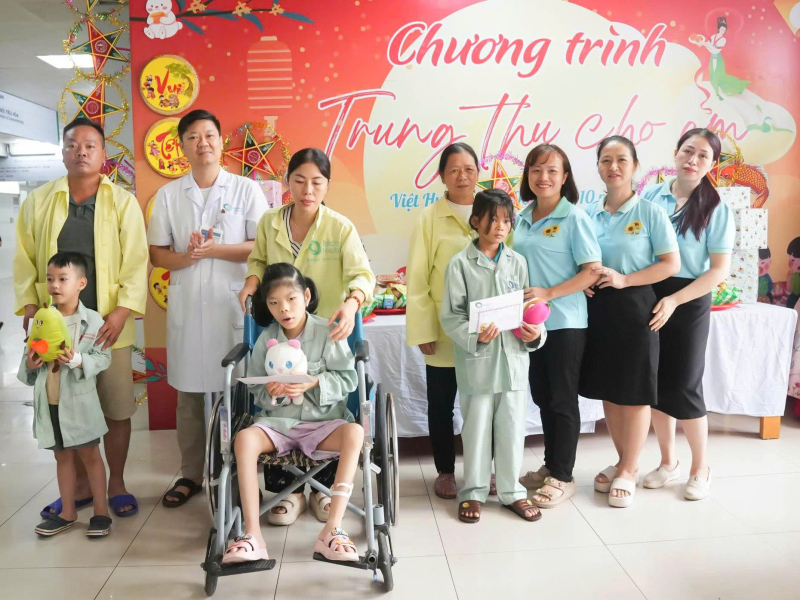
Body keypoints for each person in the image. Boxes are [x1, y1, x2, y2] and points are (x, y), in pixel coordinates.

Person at [14, 117, 148, 519]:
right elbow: (24, 259)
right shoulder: (40, 200)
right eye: (73, 145)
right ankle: (81, 490)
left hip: (107, 326)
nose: (81, 152)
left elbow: (136, 261)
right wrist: (31, 306)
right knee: (65, 409)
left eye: (90, 145)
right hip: (57, 326)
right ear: (62, 152)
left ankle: (116, 483)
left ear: (103, 153)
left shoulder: (121, 201)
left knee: (116, 408)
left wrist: (123, 311)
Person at [238, 148, 374, 525]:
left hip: (327, 328)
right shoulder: (270, 222)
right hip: (280, 325)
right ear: (288, 182)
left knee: (325, 406)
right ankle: (290, 493)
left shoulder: (340, 227)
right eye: (299, 180)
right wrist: (251, 283)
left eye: (317, 182)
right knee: (278, 398)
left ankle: (323, 491)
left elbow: (362, 275)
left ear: (327, 185)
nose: (307, 190)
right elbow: (258, 261)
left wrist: (352, 303)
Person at [147, 109, 268, 508]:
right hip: (188, 305)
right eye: (193, 137)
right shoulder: (169, 195)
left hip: (230, 305)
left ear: (220, 141)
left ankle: (239, 474)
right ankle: (190, 475)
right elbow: (158, 254)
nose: (203, 143)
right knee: (188, 397)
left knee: (236, 393)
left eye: (210, 135)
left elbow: (260, 246)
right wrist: (188, 257)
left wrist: (214, 250)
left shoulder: (246, 190)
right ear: (182, 145)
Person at [222, 263, 364, 564]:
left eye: (291, 299)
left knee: (355, 433)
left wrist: (315, 381)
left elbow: (348, 379)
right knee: (244, 439)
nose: (284, 309)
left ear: (306, 296)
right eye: (274, 303)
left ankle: (333, 530)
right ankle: (252, 535)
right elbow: (257, 388)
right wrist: (271, 392)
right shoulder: (267, 339)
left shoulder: (328, 332)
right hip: (279, 423)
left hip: (322, 423)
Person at [581, 136, 681, 508]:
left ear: (635, 166)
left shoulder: (650, 212)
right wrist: (581, 280)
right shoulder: (587, 213)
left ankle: (629, 468)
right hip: (597, 310)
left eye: (622, 159)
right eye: (606, 160)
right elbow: (579, 258)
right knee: (610, 389)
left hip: (637, 308)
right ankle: (624, 460)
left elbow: (671, 264)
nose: (614, 167)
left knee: (635, 392)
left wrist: (625, 280)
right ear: (598, 167)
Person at [440, 189, 546, 524]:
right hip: (478, 363)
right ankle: (473, 491)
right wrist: (474, 337)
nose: (500, 226)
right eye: (493, 219)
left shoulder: (518, 262)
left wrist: (536, 334)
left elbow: (531, 310)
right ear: (475, 221)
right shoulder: (460, 265)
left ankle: (511, 491)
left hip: (514, 361)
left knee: (512, 429)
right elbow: (451, 316)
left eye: (506, 220)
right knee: (476, 430)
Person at [641, 128, 734, 500]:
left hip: (690, 300)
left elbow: (719, 270)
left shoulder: (716, 208)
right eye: (688, 151)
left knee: (685, 385)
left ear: (712, 164)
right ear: (676, 153)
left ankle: (700, 468)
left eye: (703, 156)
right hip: (650, 294)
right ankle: (668, 463)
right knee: (655, 383)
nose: (693, 160)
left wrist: (676, 300)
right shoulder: (651, 196)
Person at [512, 144, 603, 509]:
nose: (543, 177)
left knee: (562, 399)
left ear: (565, 177)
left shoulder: (574, 218)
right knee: (542, 395)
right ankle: (551, 465)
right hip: (528, 325)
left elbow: (592, 271)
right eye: (536, 170)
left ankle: (563, 477)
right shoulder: (521, 217)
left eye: (552, 170)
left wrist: (549, 293)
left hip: (565, 323)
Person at [407, 142, 495, 500]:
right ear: (442, 176)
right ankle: (445, 470)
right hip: (443, 328)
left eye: (469, 169)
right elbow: (417, 278)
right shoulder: (430, 218)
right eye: (454, 170)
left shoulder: (493, 211)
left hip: (486, 327)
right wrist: (423, 328)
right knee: (442, 405)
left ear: (478, 173)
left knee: (483, 404)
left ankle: (483, 469)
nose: (462, 176)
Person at [20, 253, 112, 537]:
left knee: (91, 456)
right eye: (50, 279)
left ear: (81, 283)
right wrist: (31, 364)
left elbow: (103, 358)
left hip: (79, 404)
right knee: (62, 458)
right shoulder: (41, 320)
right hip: (50, 402)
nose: (55, 285)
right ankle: (67, 511)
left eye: (62, 279)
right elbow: (27, 363)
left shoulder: (92, 321)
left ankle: (101, 511)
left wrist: (77, 360)